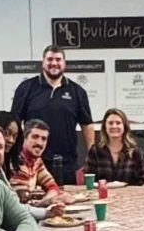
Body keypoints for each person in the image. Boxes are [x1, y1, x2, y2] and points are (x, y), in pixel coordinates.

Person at [9, 46, 94, 188]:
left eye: (58, 59)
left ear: (64, 63)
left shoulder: (78, 91)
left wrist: (92, 155)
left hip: (67, 163)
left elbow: (87, 124)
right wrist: (13, 154)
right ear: (43, 62)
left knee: (69, 202)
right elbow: (15, 122)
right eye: (50, 59)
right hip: (32, 162)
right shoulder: (26, 88)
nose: (54, 63)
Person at [85, 107, 144, 186]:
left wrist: (124, 185)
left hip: (130, 196)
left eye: (118, 123)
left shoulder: (136, 152)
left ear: (124, 127)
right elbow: (89, 180)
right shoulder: (95, 151)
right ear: (105, 127)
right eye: (110, 123)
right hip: (102, 196)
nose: (114, 126)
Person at [8, 119, 62, 203]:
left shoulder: (37, 161)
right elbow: (22, 199)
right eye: (35, 137)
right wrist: (48, 201)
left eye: (43, 139)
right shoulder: (17, 160)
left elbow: (53, 187)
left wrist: (45, 200)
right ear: (24, 138)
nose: (40, 143)